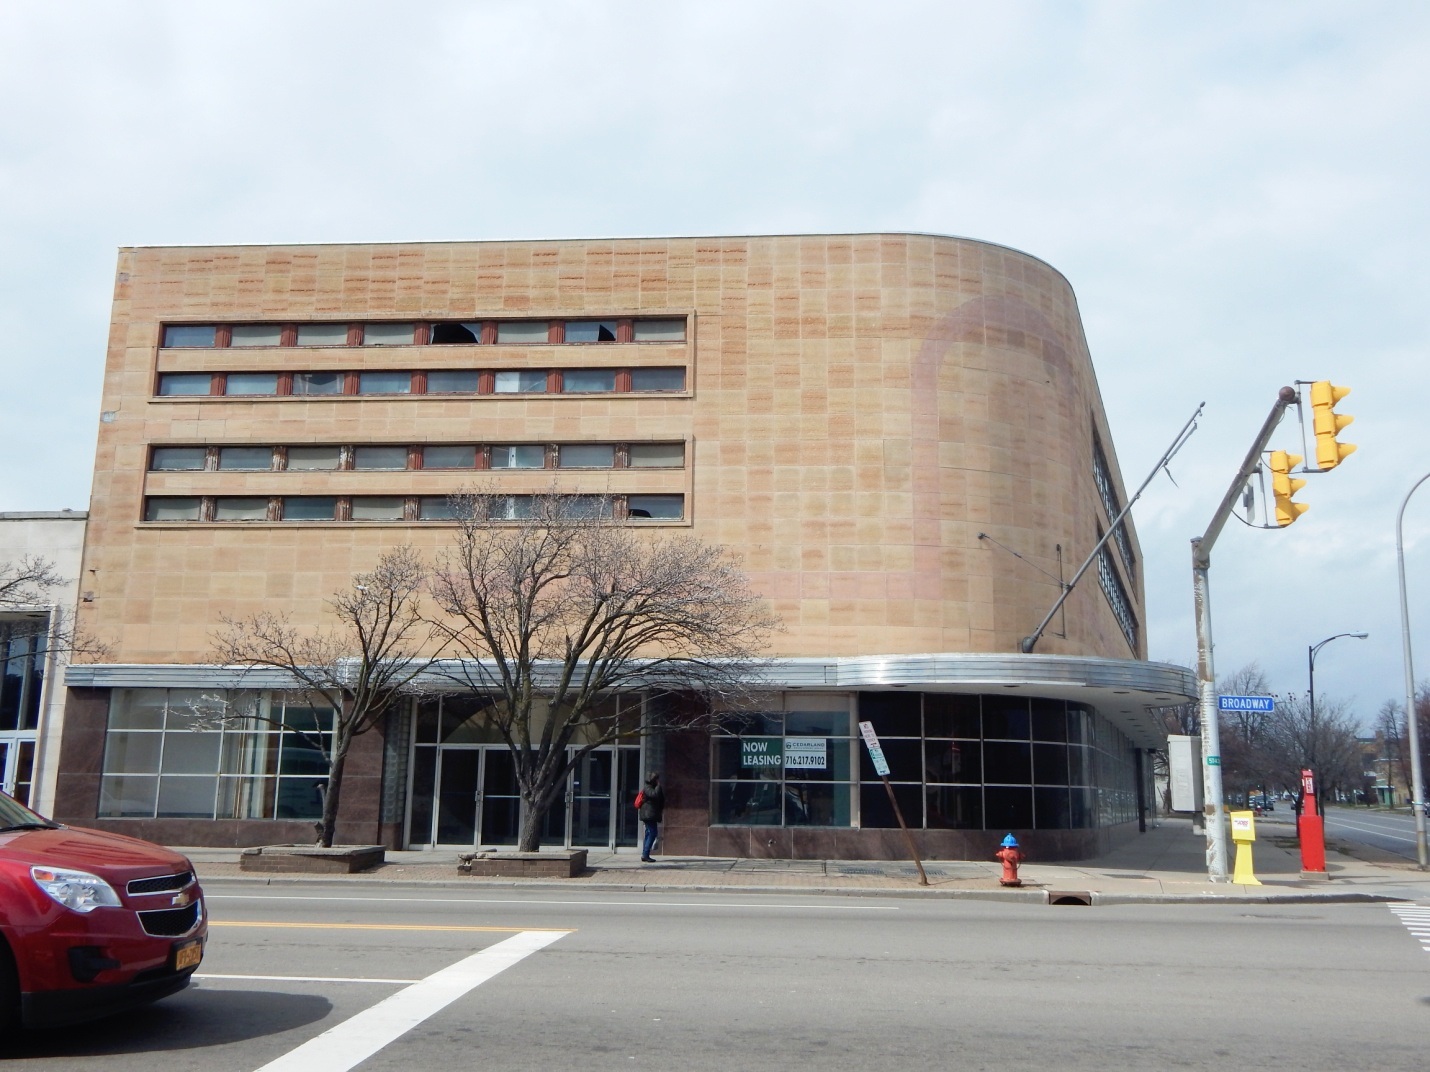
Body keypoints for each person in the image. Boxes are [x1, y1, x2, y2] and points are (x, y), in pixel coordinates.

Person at [638, 772, 666, 862]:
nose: (658, 781)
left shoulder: (654, 787)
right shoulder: (647, 787)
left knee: (649, 833)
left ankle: (645, 854)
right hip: (648, 814)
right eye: (656, 779)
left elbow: (661, 798)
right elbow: (654, 795)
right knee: (652, 833)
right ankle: (645, 854)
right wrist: (658, 786)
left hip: (652, 814)